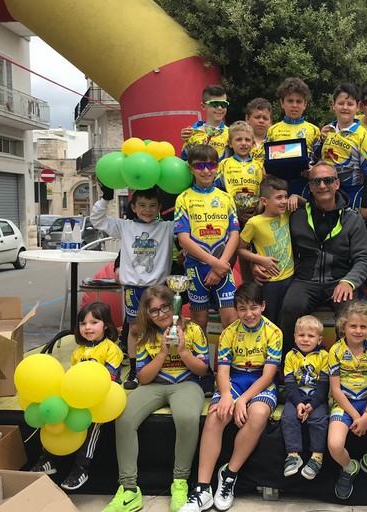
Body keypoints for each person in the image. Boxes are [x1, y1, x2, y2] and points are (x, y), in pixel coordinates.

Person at [105, 285, 209, 512]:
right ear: (147, 314)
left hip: (186, 383)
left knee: (186, 418)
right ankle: (129, 489)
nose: (161, 313)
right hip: (154, 384)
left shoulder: (192, 329)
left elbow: (202, 370)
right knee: (123, 418)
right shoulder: (145, 334)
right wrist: (162, 353)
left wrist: (182, 351)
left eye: (165, 307)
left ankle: (180, 483)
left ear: (174, 305)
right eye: (154, 311)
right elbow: (142, 377)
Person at [180, 283, 282, 512]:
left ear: (263, 306)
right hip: (234, 379)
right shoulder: (228, 333)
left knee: (259, 415)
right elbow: (223, 371)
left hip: (259, 382)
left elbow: (268, 375)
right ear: (235, 310)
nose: (249, 314)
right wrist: (226, 395)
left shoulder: (274, 332)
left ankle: (229, 475)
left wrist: (243, 400)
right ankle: (203, 488)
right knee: (216, 415)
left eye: (254, 307)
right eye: (243, 309)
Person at [263, 161, 367, 352]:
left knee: (352, 318)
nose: (322, 186)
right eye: (317, 182)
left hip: (340, 280)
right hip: (305, 281)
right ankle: (287, 365)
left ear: (337, 184)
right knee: (289, 310)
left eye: (328, 180)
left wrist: (349, 281)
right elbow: (269, 235)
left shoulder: (353, 219)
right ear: (310, 186)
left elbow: (362, 259)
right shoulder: (295, 215)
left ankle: (348, 365)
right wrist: (258, 263)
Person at [30, 302, 123, 490]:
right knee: (55, 414)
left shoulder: (111, 349)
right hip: (78, 398)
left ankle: (82, 467)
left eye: (94, 322)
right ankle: (47, 458)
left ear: (105, 325)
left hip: (100, 400)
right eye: (83, 323)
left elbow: (111, 376)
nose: (87, 327)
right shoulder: (77, 352)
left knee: (94, 424)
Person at [91, 185, 174, 390]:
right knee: (136, 329)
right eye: (142, 205)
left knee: (161, 327)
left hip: (158, 288)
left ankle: (162, 367)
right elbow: (97, 220)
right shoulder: (125, 226)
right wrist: (106, 197)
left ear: (159, 208)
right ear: (134, 207)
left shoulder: (167, 227)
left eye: (152, 206)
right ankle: (136, 371)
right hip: (133, 288)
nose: (147, 210)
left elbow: (190, 224)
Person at [175, 144, 240, 331]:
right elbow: (183, 240)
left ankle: (226, 362)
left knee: (230, 321)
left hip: (223, 264)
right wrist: (215, 263)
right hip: (196, 267)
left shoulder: (226, 198)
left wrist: (220, 266)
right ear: (190, 169)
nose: (205, 171)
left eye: (211, 166)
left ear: (217, 167)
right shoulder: (183, 199)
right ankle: (201, 361)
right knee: (198, 323)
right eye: (199, 166)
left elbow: (234, 234)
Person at [328, 301, 367, 499]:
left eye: (363, 326)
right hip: (344, 405)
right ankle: (349, 468)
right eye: (353, 326)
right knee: (335, 446)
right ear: (343, 327)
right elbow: (335, 389)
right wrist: (356, 417)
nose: (358, 330)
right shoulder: (335, 351)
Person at [238, 175, 296, 322]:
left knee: (287, 319)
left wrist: (295, 196)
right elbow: (240, 248)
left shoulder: (286, 214)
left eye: (285, 196)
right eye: (278, 198)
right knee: (270, 319)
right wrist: (260, 259)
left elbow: (305, 203)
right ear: (264, 201)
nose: (284, 201)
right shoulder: (254, 223)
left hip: (290, 278)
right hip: (269, 281)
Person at [313, 82, 367, 212]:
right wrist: (320, 140)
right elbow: (318, 157)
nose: (345, 108)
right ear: (333, 105)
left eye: (350, 104)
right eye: (341, 103)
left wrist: (365, 205)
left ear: (358, 107)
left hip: (352, 193)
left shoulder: (362, 135)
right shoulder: (327, 130)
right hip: (326, 191)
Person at [281, 315, 330, 479]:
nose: (305, 339)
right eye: (301, 335)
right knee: (288, 417)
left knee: (319, 419)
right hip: (296, 395)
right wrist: (298, 403)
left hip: (317, 396)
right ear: (294, 337)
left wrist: (313, 405)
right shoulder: (290, 356)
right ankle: (293, 456)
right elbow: (289, 384)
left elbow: (324, 384)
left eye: (311, 336)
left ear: (319, 339)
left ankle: (317, 457)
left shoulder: (324, 356)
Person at [266, 77, 321, 195]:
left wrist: (313, 170)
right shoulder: (272, 131)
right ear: (282, 103)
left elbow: (322, 159)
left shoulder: (314, 130)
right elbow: (263, 159)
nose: (294, 105)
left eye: (299, 101)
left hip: (305, 184)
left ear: (305, 104)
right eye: (290, 101)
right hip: (278, 185)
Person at [214, 121, 265, 225]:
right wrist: (233, 208)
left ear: (253, 143)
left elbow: (264, 190)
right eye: (238, 140)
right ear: (230, 143)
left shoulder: (259, 166)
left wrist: (259, 208)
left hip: (255, 215)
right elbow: (217, 189)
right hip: (230, 214)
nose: (243, 143)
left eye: (247, 140)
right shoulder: (224, 164)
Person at [180, 84, 230, 160]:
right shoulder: (192, 133)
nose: (220, 108)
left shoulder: (231, 133)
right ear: (203, 106)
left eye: (223, 104)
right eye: (215, 104)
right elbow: (184, 161)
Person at [244, 97, 273, 165]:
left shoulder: (275, 141)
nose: (261, 121)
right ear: (247, 119)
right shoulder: (238, 140)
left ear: (270, 122)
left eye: (265, 118)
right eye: (257, 117)